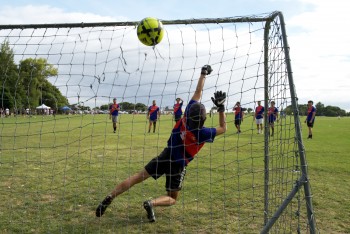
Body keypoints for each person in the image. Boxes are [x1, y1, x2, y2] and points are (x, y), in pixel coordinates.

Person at [95, 65, 227, 222]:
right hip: (178, 164)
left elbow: (198, 93)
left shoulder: (185, 117)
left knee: (138, 176)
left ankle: (110, 196)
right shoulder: (203, 133)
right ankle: (151, 203)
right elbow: (223, 128)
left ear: (188, 113)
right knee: (172, 198)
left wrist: (203, 74)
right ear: (204, 119)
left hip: (166, 154)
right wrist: (221, 107)